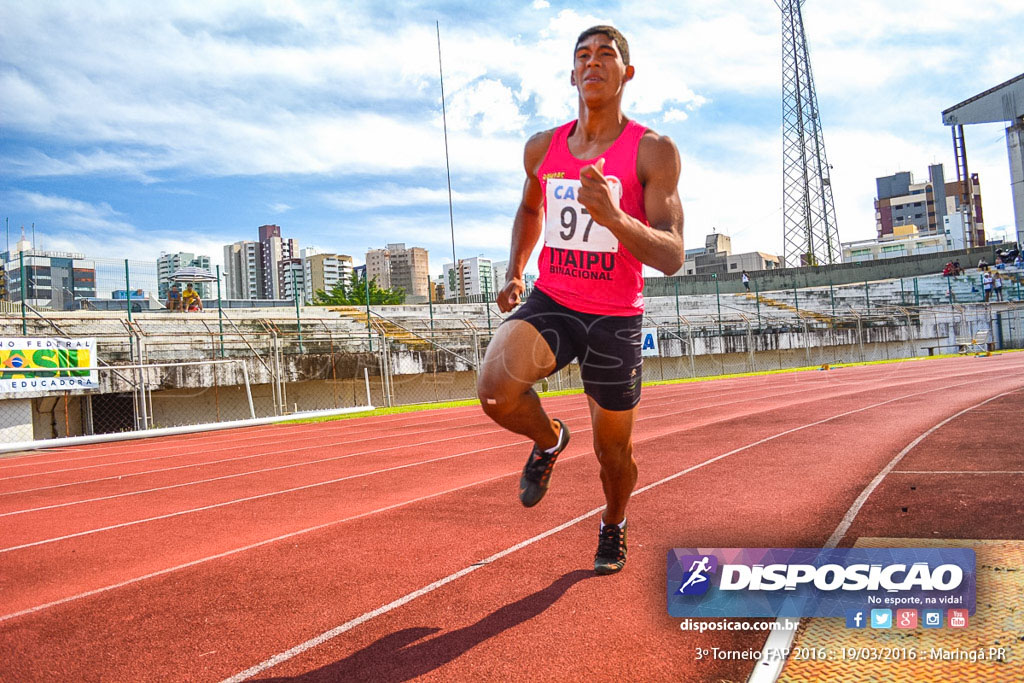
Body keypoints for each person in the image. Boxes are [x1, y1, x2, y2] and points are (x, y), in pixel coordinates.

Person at [476, 25, 684, 575]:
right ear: (572, 74)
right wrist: (515, 270)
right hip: (554, 299)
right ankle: (548, 440)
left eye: (607, 55)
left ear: (626, 73)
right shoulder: (543, 148)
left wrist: (615, 217)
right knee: (495, 391)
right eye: (583, 56)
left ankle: (613, 522)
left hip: (615, 317)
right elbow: (530, 209)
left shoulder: (652, 151)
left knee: (613, 456)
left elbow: (672, 253)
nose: (594, 63)